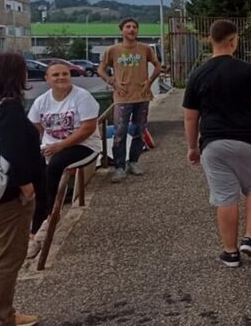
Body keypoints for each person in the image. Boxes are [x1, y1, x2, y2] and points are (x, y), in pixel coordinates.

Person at [183, 20, 251, 268]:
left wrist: (192, 147)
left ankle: (230, 252)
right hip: (250, 140)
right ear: (233, 41)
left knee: (225, 197)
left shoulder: (197, 74)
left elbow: (190, 116)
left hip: (214, 144)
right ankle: (250, 238)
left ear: (211, 40)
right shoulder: (247, 70)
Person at [0, 52, 41, 326]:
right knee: (7, 260)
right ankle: (0, 319)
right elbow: (14, 154)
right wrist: (27, 188)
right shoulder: (9, 108)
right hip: (7, 197)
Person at [26, 63, 101, 259]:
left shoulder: (82, 97)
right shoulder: (42, 101)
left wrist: (60, 145)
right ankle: (34, 231)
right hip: (50, 148)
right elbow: (35, 127)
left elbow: (88, 128)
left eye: (65, 74)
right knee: (37, 178)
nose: (61, 77)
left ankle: (51, 219)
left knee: (56, 166)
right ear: (47, 79)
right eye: (56, 74)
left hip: (83, 145)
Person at [97, 18, 162, 183]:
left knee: (139, 131)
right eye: (128, 27)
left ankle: (134, 161)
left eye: (134, 27)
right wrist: (112, 81)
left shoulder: (145, 49)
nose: (132, 29)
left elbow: (157, 66)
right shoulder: (113, 50)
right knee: (120, 132)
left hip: (142, 96)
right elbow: (101, 70)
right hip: (122, 98)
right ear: (121, 30)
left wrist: (149, 81)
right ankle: (119, 167)